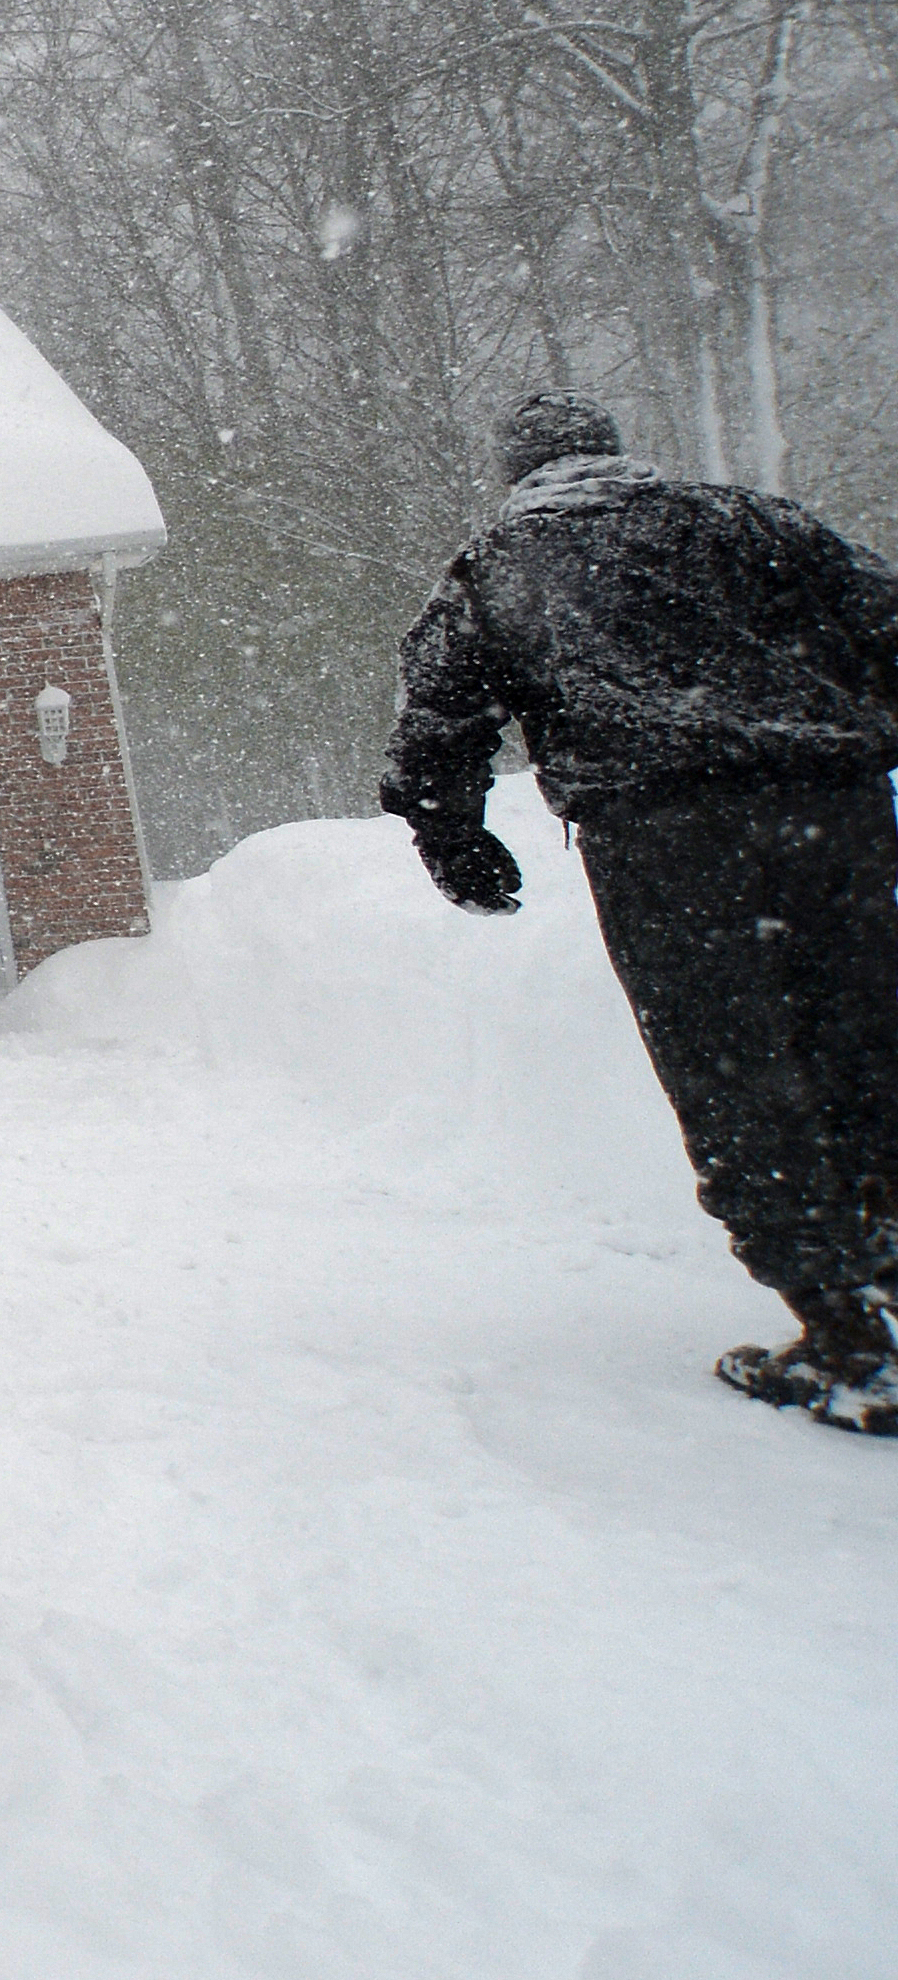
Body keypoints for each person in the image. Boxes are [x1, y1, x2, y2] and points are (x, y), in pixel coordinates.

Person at [381, 391, 898, 1436]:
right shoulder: (752, 522)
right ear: (610, 454)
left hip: (665, 844)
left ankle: (845, 1335)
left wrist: (453, 839)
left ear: (515, 468)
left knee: (731, 1069)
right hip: (826, 811)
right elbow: (882, 618)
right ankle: (881, 1255)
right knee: (865, 1040)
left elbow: (436, 721)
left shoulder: (496, 569)